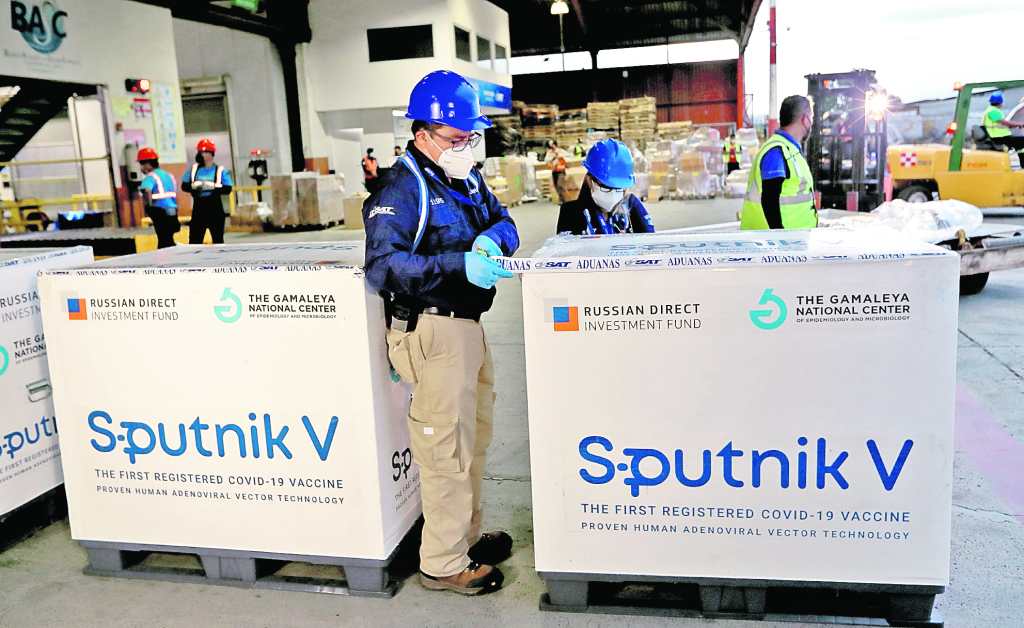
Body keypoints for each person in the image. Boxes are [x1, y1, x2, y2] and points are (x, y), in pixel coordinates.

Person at [363, 70, 519, 596]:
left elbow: (505, 221)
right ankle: (443, 562)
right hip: (432, 330)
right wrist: (459, 265)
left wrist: (492, 242)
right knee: (445, 450)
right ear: (423, 133)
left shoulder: (465, 177)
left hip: (468, 328)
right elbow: (383, 266)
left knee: (473, 439)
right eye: (456, 139)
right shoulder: (401, 188)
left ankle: (464, 539)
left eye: (471, 138)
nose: (466, 147)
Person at [740, 95, 817, 230]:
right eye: (811, 118)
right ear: (805, 120)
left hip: (792, 238)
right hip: (773, 240)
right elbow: (769, 198)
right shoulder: (777, 150)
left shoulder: (790, 150)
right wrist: (779, 237)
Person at [556, 138, 654, 235]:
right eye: (606, 187)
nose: (613, 194)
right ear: (589, 180)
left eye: (619, 188)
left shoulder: (631, 205)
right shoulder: (571, 213)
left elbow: (650, 239)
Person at [181, 138, 233, 245]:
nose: (201, 155)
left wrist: (212, 186)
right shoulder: (193, 169)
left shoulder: (220, 170)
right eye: (200, 152)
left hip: (215, 209)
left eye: (204, 152)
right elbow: (184, 186)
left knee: (218, 241)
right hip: (199, 209)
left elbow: (228, 189)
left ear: (211, 154)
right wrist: (194, 186)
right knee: (194, 242)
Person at [136, 147, 179, 249]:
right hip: (173, 211)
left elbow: (146, 190)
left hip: (160, 212)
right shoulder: (169, 175)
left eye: (141, 164)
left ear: (147, 164)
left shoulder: (150, 177)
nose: (141, 168)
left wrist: (148, 206)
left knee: (163, 240)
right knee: (169, 239)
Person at [982, 91, 1024, 168]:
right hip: (999, 138)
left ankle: (1022, 164)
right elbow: (1004, 122)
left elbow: (1000, 125)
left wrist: (1014, 126)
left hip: (1000, 137)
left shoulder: (991, 110)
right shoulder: (993, 111)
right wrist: (1019, 124)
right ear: (1001, 102)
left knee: (1020, 145)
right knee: (1022, 142)